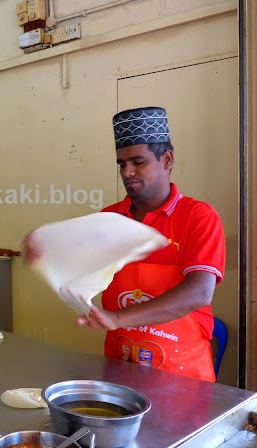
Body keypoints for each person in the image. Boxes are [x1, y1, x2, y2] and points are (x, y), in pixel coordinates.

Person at [78, 106, 225, 382]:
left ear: (167, 159)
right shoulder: (109, 219)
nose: (127, 172)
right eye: (122, 164)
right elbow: (85, 271)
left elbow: (199, 292)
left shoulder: (198, 217)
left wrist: (117, 319)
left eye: (138, 162)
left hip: (182, 374)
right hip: (120, 368)